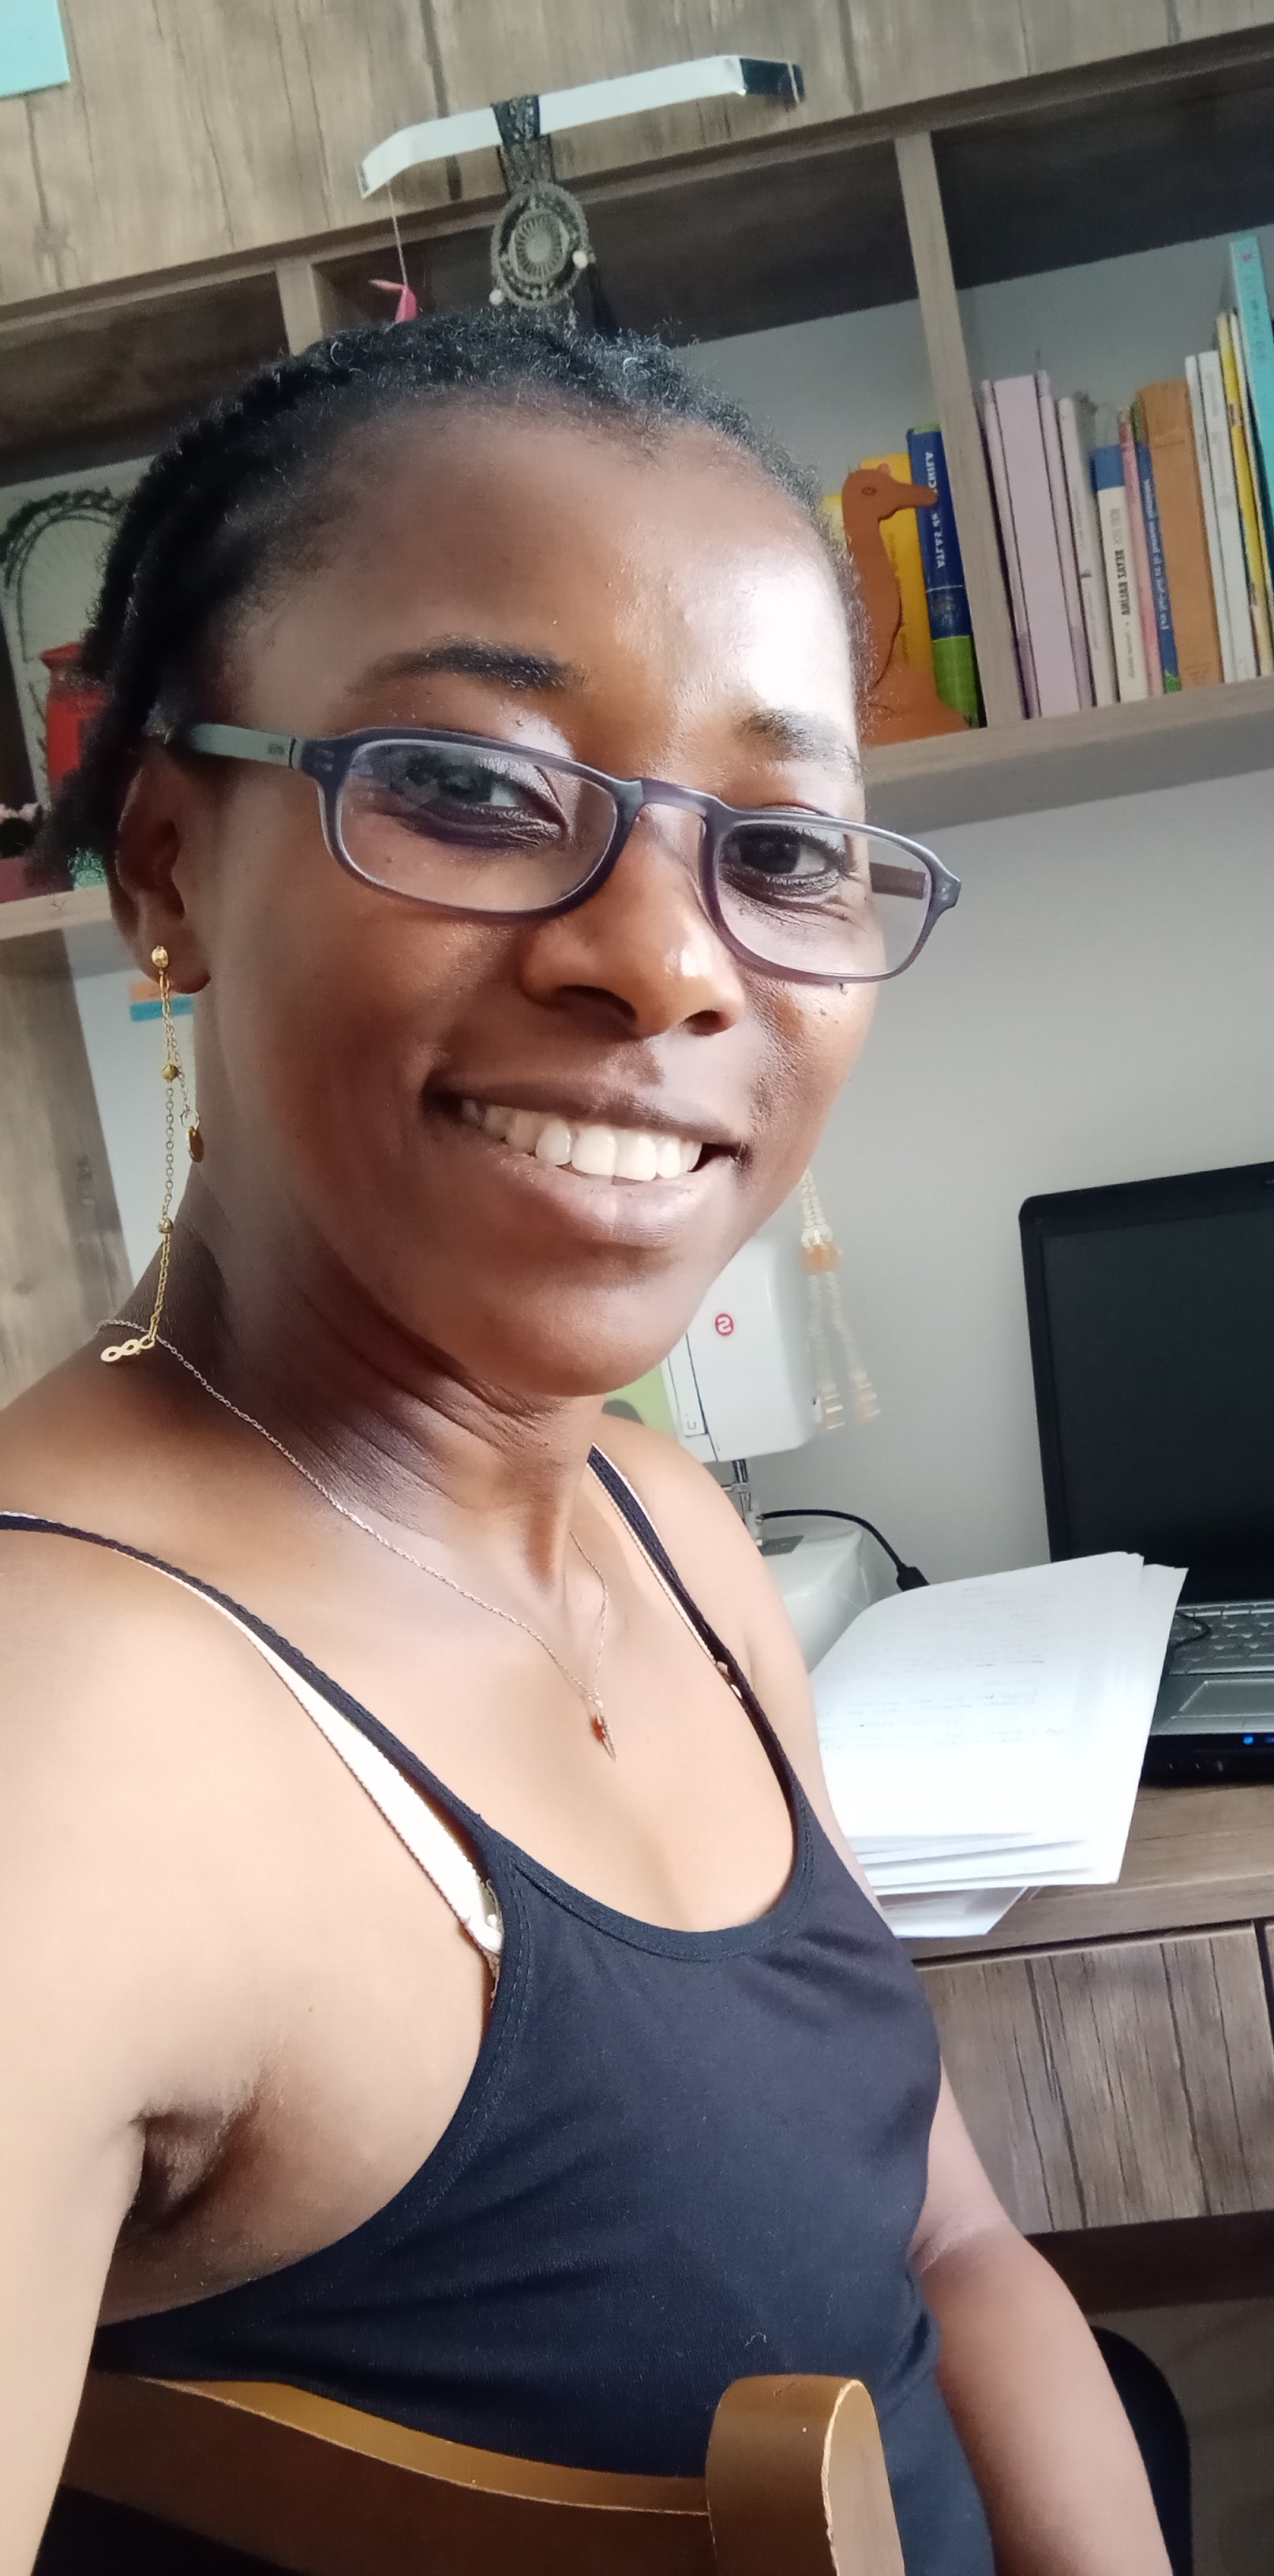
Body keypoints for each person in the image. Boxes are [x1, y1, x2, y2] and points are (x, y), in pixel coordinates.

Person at [0, 313, 1173, 2576]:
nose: (668, 964)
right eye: (471, 788)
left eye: (784, 847)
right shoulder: (65, 1731)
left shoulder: (668, 1527)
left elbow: (945, 2251)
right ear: (164, 866)